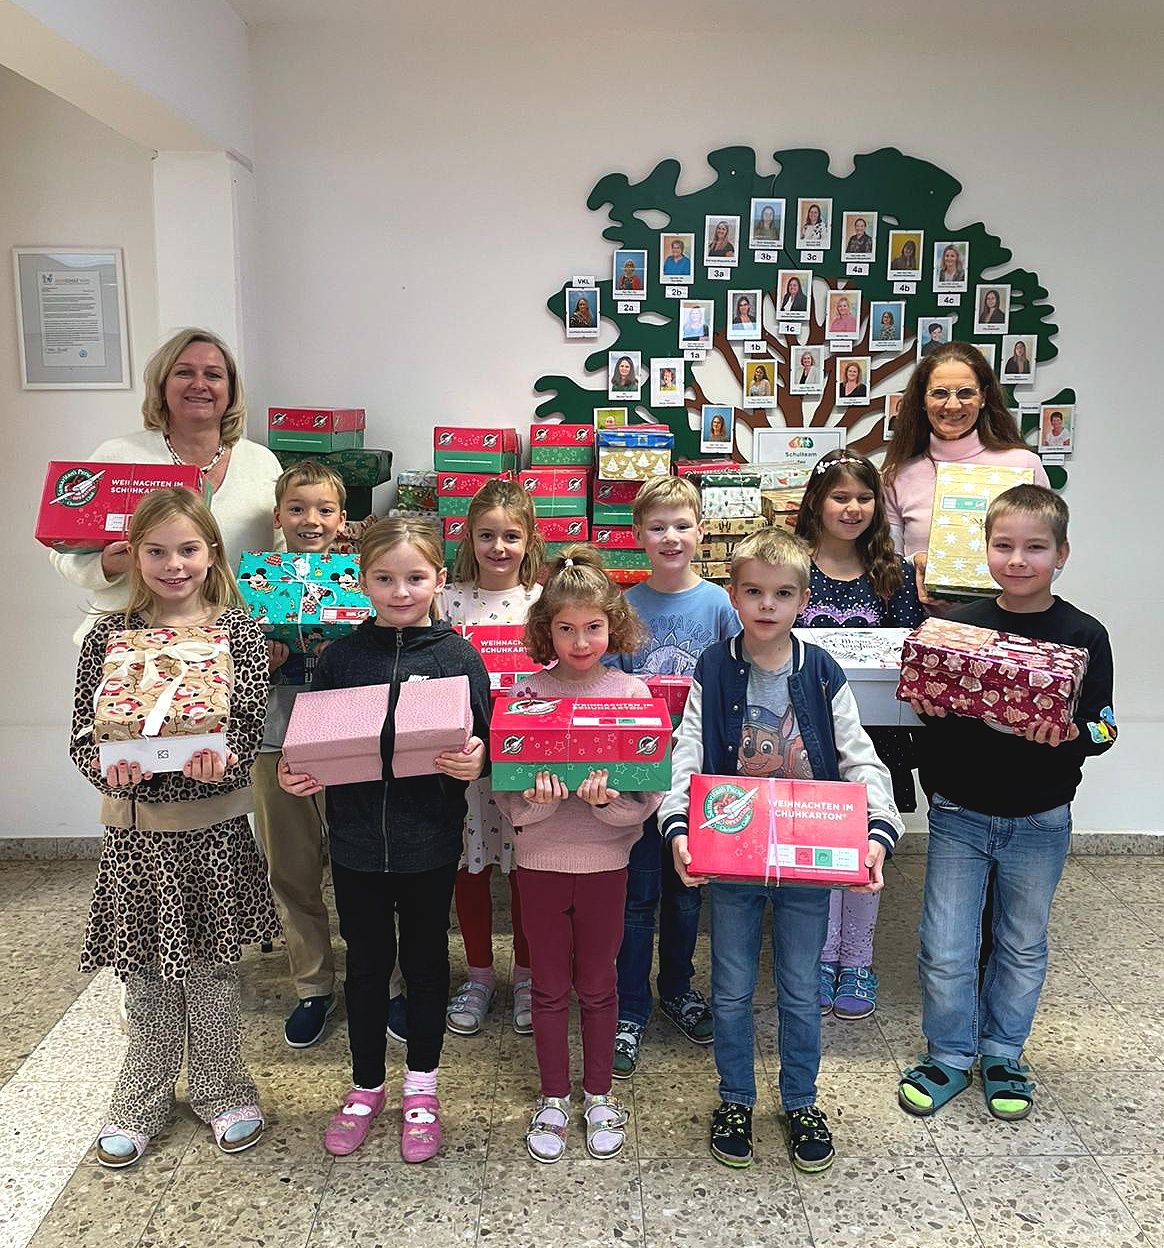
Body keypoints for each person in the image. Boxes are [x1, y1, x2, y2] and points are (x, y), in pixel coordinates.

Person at [662, 527, 902, 1172]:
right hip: (732, 856)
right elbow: (685, 753)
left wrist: (877, 831)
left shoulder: (821, 670)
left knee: (800, 988)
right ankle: (735, 1096)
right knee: (733, 986)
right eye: (753, 592)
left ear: (802, 600)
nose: (768, 605)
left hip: (807, 859)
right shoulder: (712, 667)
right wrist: (679, 825)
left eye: (784, 594)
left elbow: (858, 756)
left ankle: (800, 1100)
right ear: (733, 596)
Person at [69, 488, 277, 1168]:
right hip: (136, 835)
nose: (173, 564)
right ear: (133, 555)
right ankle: (141, 1094)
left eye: (188, 549)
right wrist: (110, 771)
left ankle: (220, 1086)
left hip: (211, 829)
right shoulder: (108, 635)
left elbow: (245, 723)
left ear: (211, 553)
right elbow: (84, 733)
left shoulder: (236, 633)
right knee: (146, 972)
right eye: (156, 551)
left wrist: (224, 762)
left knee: (213, 969)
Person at [277, 518, 492, 1162]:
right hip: (355, 845)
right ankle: (365, 1084)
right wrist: (298, 774)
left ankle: (422, 1085)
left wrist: (475, 761)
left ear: (440, 581)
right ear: (363, 580)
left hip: (429, 841)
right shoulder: (342, 657)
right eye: (385, 578)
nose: (401, 592)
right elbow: (313, 743)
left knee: (427, 963)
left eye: (416, 577)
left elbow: (484, 741)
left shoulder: (458, 656)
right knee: (366, 966)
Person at [899, 485, 1116, 1121]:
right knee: (945, 941)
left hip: (1041, 816)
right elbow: (933, 708)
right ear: (985, 549)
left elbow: (1105, 725)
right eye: (1004, 546)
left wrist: (1076, 733)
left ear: (1062, 553)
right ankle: (948, 1053)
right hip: (961, 811)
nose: (1018, 560)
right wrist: (927, 709)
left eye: (1035, 548)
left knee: (1021, 943)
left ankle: (1003, 1052)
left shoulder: (1084, 635)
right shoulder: (958, 627)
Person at [495, 546, 664, 1163]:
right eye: (565, 628)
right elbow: (507, 796)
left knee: (599, 984)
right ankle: (552, 1096)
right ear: (546, 631)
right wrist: (539, 803)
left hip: (605, 863)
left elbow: (647, 791)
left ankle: (598, 1093)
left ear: (612, 625)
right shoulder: (526, 692)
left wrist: (604, 806)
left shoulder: (630, 690)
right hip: (540, 862)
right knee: (546, 986)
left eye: (593, 626)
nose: (580, 640)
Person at [606, 476, 739, 1077]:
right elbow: (607, 691)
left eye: (682, 525)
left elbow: (734, 681)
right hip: (637, 778)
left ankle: (678, 989)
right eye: (657, 526)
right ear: (637, 536)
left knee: (687, 897)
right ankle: (628, 1006)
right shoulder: (625, 606)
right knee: (637, 899)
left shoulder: (718, 605)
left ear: (701, 531)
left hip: (699, 780)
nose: (670, 536)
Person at [794, 450, 925, 1019]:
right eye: (840, 496)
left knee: (865, 846)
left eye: (864, 498)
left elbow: (913, 649)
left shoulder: (891, 572)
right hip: (805, 730)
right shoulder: (794, 567)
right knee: (819, 842)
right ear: (817, 503)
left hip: (875, 736)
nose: (852, 508)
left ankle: (858, 961)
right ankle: (821, 957)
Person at [50, 328, 282, 643]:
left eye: (213, 375)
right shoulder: (117, 458)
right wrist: (108, 565)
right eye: (184, 372)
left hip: (230, 648)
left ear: (231, 391)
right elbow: (64, 552)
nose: (199, 384)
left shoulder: (261, 463)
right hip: (125, 647)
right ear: (162, 386)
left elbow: (279, 554)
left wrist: (272, 635)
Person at [441, 479, 545, 1037]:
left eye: (510, 536)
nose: (498, 547)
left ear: (529, 540)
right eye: (487, 536)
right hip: (464, 759)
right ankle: (479, 974)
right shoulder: (448, 600)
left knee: (525, 865)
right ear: (469, 537)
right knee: (471, 863)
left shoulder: (539, 603)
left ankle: (528, 975)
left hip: (526, 758)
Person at [254, 461, 351, 1050]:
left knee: (363, 868)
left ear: (343, 520)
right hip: (274, 737)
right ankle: (313, 985)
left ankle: (381, 979)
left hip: (349, 737)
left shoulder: (362, 578)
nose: (310, 521)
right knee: (290, 871)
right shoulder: (254, 582)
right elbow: (226, 666)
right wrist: (254, 657)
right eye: (297, 509)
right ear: (278, 517)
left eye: (324, 510)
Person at [881, 342, 1050, 604]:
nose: (952, 405)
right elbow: (887, 559)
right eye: (939, 393)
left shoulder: (1023, 466)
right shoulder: (897, 473)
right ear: (922, 401)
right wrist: (914, 565)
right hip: (925, 627)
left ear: (983, 397)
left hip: (1006, 626)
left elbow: (1050, 555)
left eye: (965, 393)